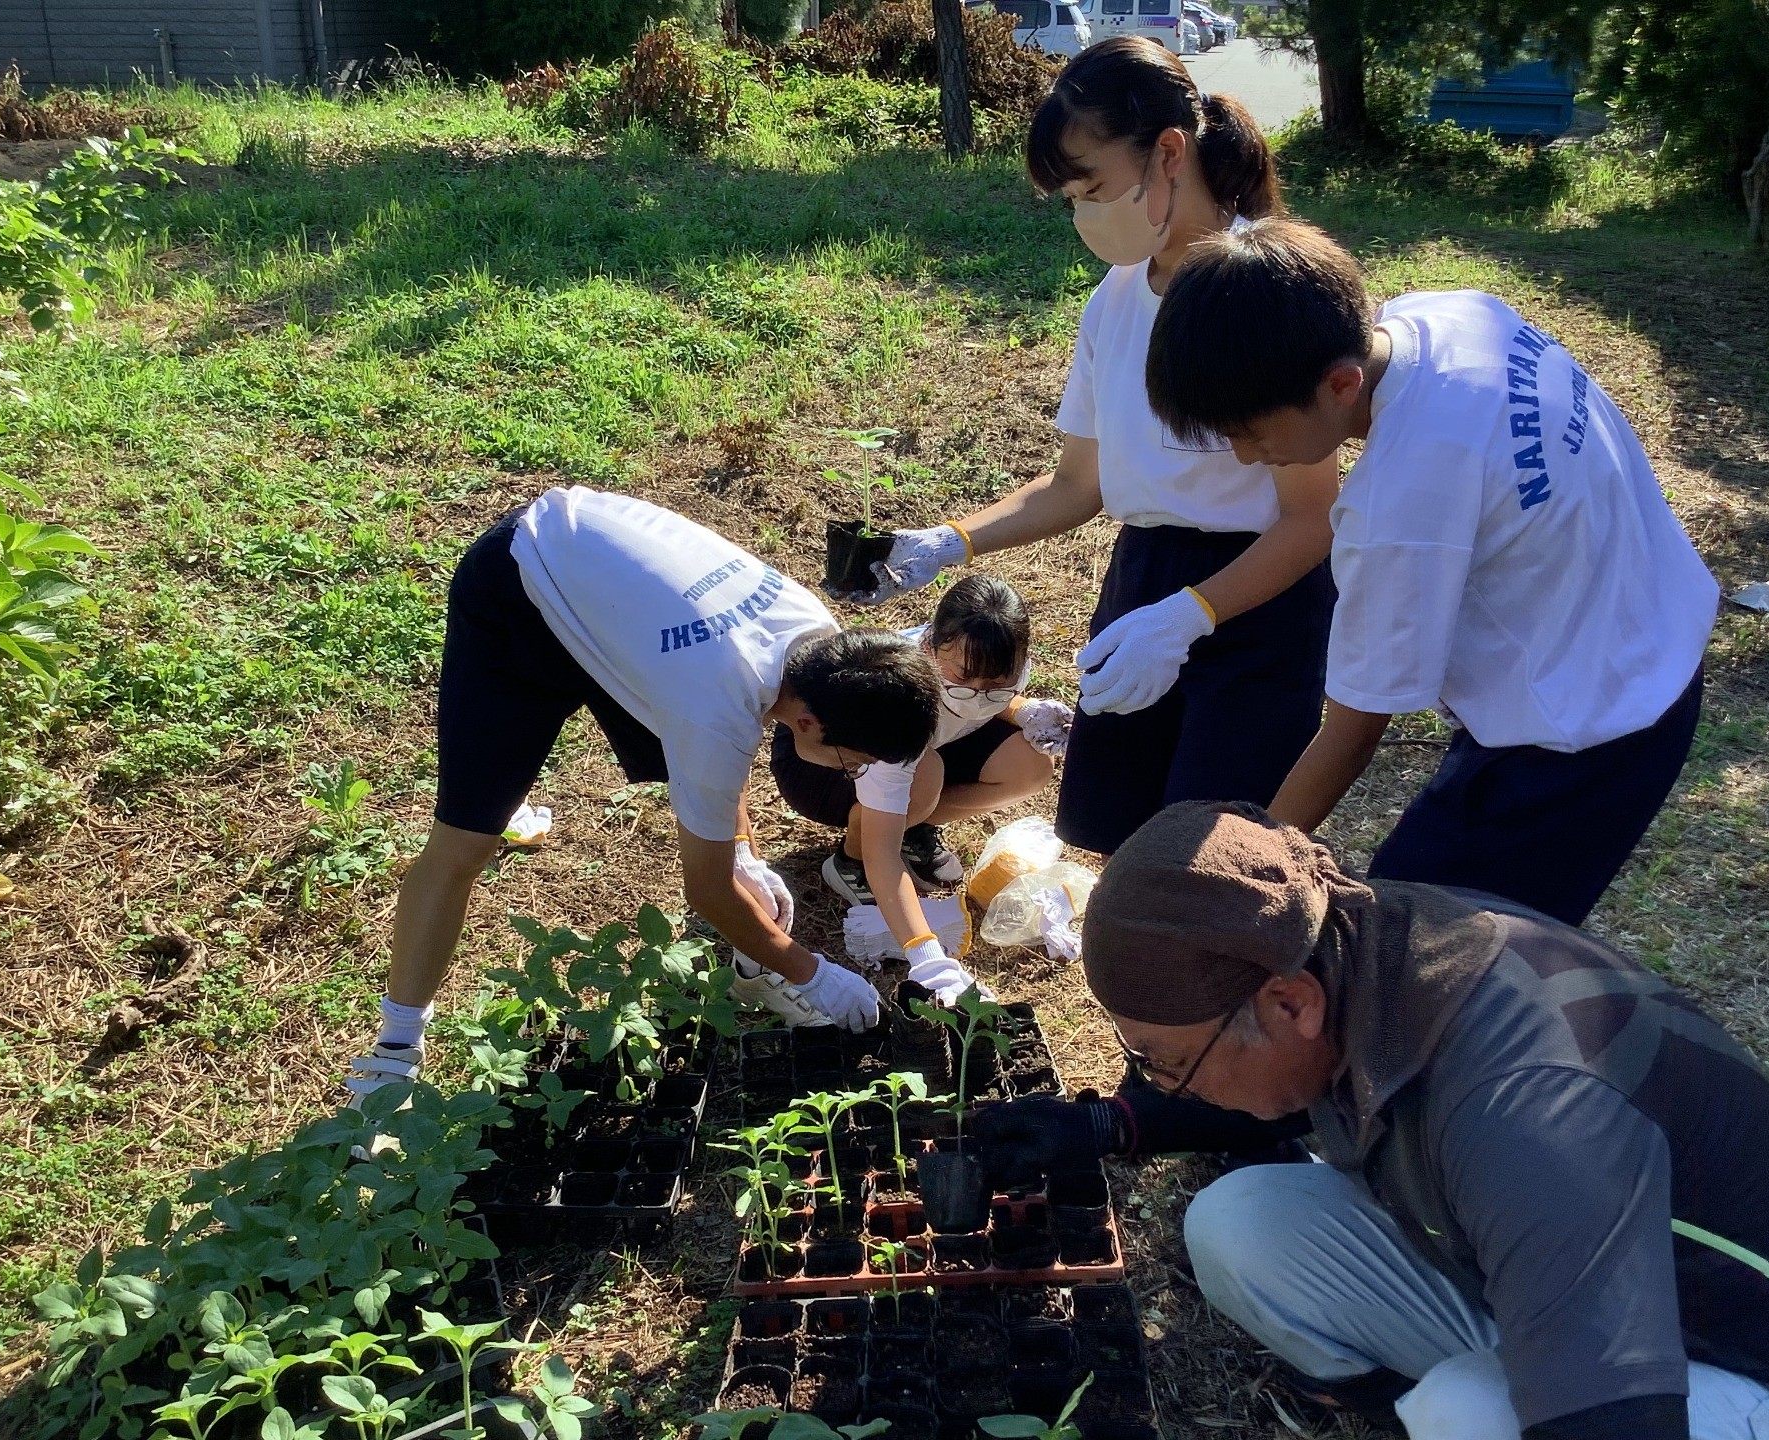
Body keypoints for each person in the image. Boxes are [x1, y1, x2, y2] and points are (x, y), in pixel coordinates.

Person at [979, 801, 1769, 1439]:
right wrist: (1107, 1127)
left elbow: (1618, 1417)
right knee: (1243, 1220)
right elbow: (1285, 1092)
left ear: (1290, 1003)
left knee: (1468, 1409)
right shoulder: (1361, 947)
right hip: (1553, 1290)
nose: (1162, 1082)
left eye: (1169, 1061)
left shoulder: (1531, 1111)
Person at [1143, 218, 1719, 926]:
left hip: (1592, 728)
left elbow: (1351, 733)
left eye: (1251, 433)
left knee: (1426, 946)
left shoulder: (1401, 505)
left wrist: (1254, 866)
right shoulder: (1449, 314)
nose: (1242, 456)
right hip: (1648, 625)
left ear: (1339, 384)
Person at [848, 38, 1339, 858]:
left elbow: (1311, 519)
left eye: (1094, 187)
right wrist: (949, 541)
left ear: (1169, 154)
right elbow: (1079, 484)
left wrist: (1196, 614)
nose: (1084, 216)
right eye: (1071, 198)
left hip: (1260, 599)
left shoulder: (1268, 288)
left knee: (1220, 850)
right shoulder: (1115, 301)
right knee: (1119, 824)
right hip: (1146, 576)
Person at [344, 488, 943, 1101]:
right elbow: (705, 889)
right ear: (812, 725)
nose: (851, 774)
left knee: (712, 795)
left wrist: (742, 853)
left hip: (632, 614)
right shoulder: (715, 707)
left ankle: (756, 965)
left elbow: (718, 750)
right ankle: (394, 1049)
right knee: (465, 844)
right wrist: (812, 972)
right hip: (522, 585)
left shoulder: (818, 639)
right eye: (854, 762)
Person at [768, 575, 1073, 1002]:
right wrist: (927, 956)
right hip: (821, 759)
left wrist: (1023, 711)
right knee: (922, 774)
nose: (979, 695)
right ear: (929, 646)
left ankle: (912, 824)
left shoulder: (1003, 665)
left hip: (927, 746)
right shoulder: (897, 707)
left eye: (997, 685)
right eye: (964, 679)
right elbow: (883, 859)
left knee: (1030, 764)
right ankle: (847, 861)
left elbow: (988, 697)